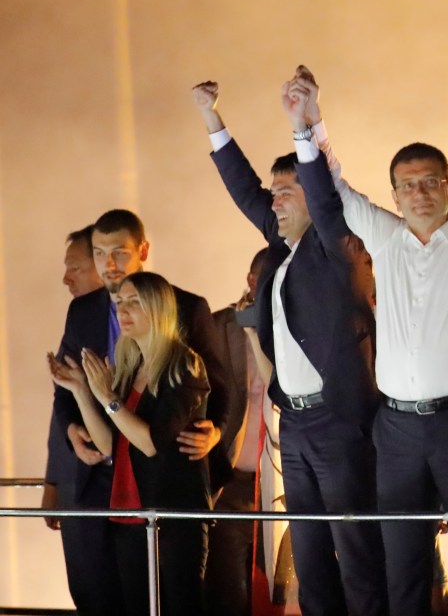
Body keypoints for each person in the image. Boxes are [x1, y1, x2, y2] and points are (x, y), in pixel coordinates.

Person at [287, 61, 448, 615]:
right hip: (398, 424)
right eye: (408, 185)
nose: (420, 193)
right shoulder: (382, 235)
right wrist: (308, 123)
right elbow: (332, 186)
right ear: (396, 193)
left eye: (430, 183)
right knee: (400, 557)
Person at [192, 71, 387, 616]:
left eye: (287, 192)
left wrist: (304, 127)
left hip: (338, 420)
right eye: (274, 193)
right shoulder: (282, 247)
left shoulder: (337, 248)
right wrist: (212, 118)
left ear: (313, 197)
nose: (273, 202)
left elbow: (325, 200)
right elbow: (243, 191)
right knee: (309, 554)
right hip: (295, 423)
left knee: (358, 551)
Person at [50, 209, 232, 616]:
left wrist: (216, 433)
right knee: (119, 597)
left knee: (179, 601)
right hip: (122, 499)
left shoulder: (183, 349)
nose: (108, 265)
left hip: (169, 499)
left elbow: (214, 394)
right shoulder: (119, 352)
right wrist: (82, 392)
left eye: (118, 253)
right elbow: (110, 437)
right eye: (98, 253)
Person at [205, 248, 270, 616]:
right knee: (228, 591)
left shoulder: (304, 325)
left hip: (283, 485)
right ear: (251, 281)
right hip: (229, 482)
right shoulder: (216, 327)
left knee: (281, 588)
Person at [43, 225, 104, 532]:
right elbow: (62, 401)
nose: (66, 279)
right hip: (77, 480)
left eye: (76, 269)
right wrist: (53, 481)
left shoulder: (152, 314)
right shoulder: (79, 318)